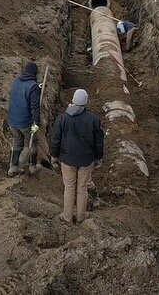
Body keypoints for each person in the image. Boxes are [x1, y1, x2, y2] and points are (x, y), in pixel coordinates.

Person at [50, 88, 104, 224]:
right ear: (85, 103)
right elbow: (99, 142)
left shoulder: (62, 118)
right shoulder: (93, 120)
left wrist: (54, 156)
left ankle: (67, 217)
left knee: (69, 188)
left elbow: (55, 139)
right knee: (82, 188)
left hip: (67, 159)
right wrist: (98, 157)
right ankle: (81, 218)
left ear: (73, 100)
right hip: (86, 160)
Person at [7, 61, 41, 176]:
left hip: (12, 120)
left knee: (17, 141)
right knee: (32, 142)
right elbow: (35, 107)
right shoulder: (33, 87)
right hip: (25, 122)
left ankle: (13, 166)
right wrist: (36, 123)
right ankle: (32, 166)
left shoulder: (16, 82)